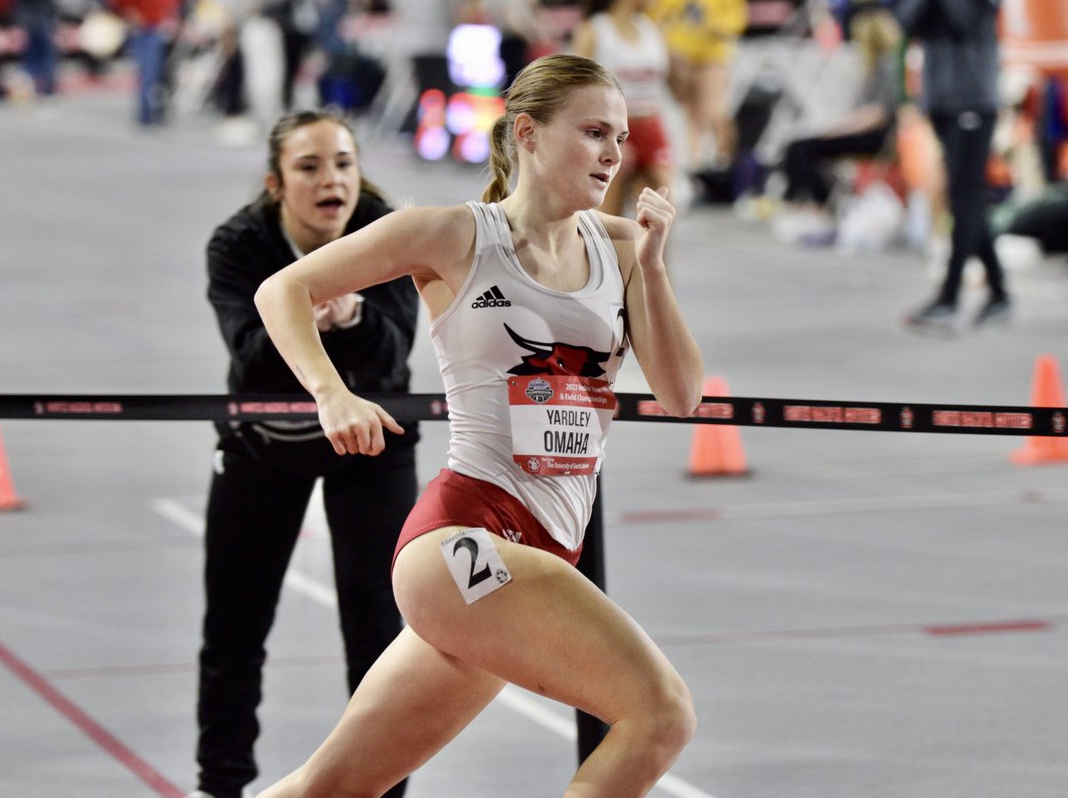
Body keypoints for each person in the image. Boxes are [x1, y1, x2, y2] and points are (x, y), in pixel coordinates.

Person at [251, 53, 704, 798]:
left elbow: (682, 394)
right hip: (466, 540)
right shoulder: (452, 234)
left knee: (327, 789)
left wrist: (653, 267)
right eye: (593, 132)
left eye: (620, 137)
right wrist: (333, 394)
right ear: (527, 133)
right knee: (661, 715)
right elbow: (282, 291)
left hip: (543, 554)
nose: (613, 154)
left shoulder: (624, 246)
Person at [191, 109, 419, 798]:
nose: (331, 181)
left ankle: (380, 789)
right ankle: (221, 785)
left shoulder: (387, 232)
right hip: (265, 444)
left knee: (380, 636)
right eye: (309, 167)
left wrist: (351, 316)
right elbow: (252, 362)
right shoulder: (239, 245)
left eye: (343, 164)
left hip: (372, 445)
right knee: (234, 629)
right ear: (276, 184)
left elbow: (394, 357)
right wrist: (301, 326)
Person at [893, 0, 1011, 331]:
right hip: (940, 101)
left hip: (975, 100)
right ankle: (999, 293)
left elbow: (965, 20)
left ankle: (950, 297)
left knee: (963, 200)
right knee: (968, 200)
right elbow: (905, 22)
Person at [772, 0, 902, 243]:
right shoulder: (872, 68)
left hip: (877, 136)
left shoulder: (888, 66)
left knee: (804, 148)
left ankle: (817, 207)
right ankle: (798, 205)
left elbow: (878, 114)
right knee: (797, 146)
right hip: (862, 129)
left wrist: (839, 128)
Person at [571, 0, 676, 215]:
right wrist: (603, 136)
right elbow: (577, 89)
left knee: (662, 207)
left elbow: (674, 85)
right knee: (610, 212)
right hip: (612, 128)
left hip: (650, 124)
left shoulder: (651, 29)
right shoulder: (595, 30)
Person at [648, 0, 747, 171]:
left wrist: (711, 27)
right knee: (691, 114)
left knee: (711, 110)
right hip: (681, 55)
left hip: (713, 54)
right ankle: (694, 166)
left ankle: (727, 163)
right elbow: (656, 16)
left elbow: (736, 21)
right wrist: (668, 44)